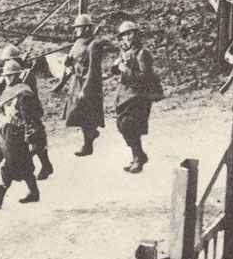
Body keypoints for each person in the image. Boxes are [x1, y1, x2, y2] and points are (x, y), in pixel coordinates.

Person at [0, 44, 53, 183]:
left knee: (35, 139)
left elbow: (26, 93)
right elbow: (1, 88)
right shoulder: (9, 73)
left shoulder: (26, 75)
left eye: (8, 60)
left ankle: (45, 166)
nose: (6, 63)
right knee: (1, 140)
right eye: (5, 61)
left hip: (26, 109)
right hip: (6, 109)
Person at [0, 60, 45, 209]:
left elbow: (29, 118)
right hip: (7, 132)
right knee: (24, 165)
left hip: (17, 134)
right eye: (6, 76)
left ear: (14, 76)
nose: (6, 78)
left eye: (9, 76)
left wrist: (31, 138)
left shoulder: (23, 93)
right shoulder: (10, 90)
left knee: (8, 166)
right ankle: (34, 193)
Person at [111, 21, 162, 174]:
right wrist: (116, 66)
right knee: (122, 124)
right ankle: (139, 155)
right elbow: (117, 70)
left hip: (140, 95)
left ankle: (138, 159)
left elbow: (144, 77)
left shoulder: (142, 53)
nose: (126, 38)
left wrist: (124, 69)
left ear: (136, 34)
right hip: (126, 94)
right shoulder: (125, 51)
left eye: (129, 34)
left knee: (130, 125)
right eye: (123, 35)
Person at [55, 14, 105, 156]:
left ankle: (89, 141)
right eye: (76, 28)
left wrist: (86, 89)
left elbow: (93, 70)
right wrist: (67, 62)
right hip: (77, 81)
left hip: (89, 83)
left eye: (79, 28)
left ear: (87, 28)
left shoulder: (94, 45)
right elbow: (71, 59)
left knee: (86, 113)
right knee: (79, 113)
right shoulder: (78, 43)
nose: (76, 30)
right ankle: (89, 140)